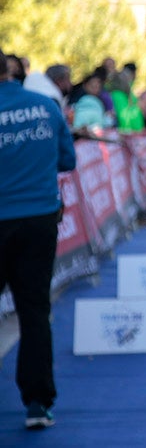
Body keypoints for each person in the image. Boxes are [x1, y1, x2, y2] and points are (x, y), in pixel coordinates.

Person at [0, 48, 76, 430]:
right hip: (38, 220)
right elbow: (67, 160)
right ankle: (37, 403)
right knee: (33, 312)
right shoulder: (46, 107)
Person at [108, 62, 144, 132]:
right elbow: (124, 117)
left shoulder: (130, 94)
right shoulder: (118, 95)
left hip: (135, 132)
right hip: (129, 134)